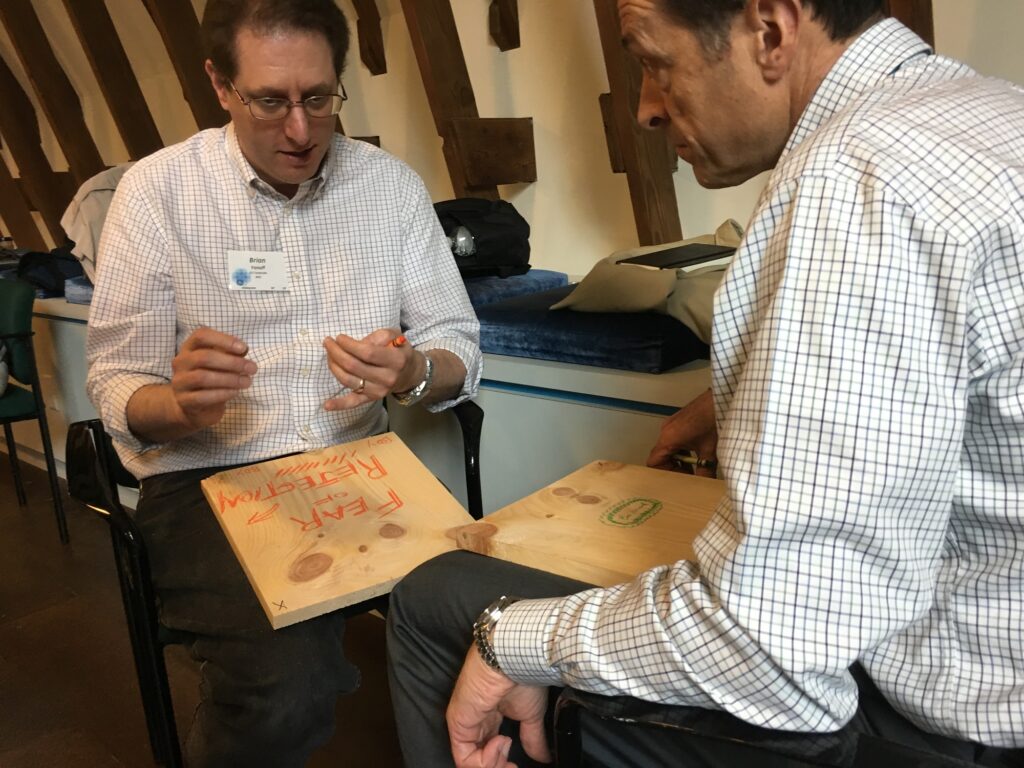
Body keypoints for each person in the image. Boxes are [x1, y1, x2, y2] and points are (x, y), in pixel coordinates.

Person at [386, 0, 1024, 765]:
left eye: (654, 60)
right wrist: (745, 397)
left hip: (946, 727)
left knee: (438, 597)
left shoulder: (859, 176)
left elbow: (777, 644)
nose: (648, 108)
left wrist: (510, 641)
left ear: (770, 29)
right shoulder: (988, 110)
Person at [85, 0, 480, 764]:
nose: (300, 132)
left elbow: (454, 343)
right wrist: (173, 404)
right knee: (285, 684)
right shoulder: (157, 193)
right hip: (208, 481)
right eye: (270, 101)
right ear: (220, 86)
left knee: (492, 628)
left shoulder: (391, 190)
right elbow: (115, 378)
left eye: (319, 99)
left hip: (356, 467)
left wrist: (414, 369)